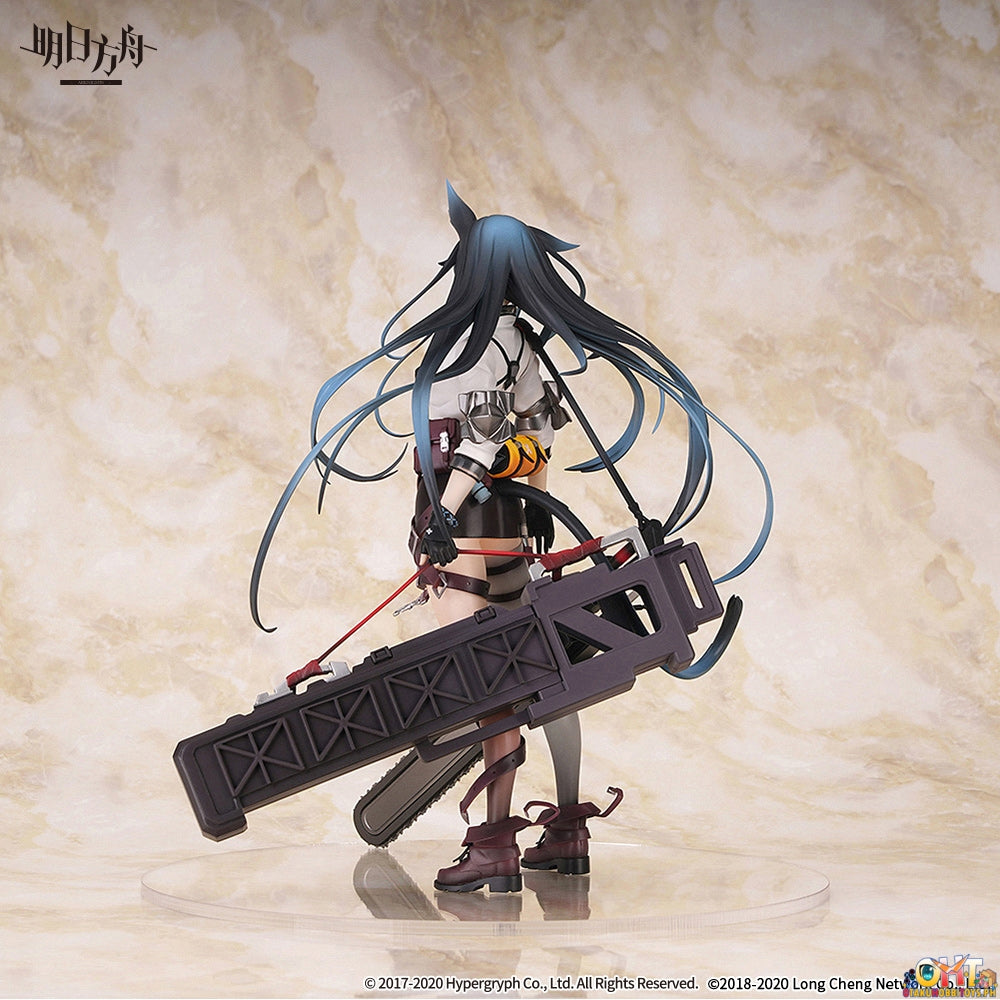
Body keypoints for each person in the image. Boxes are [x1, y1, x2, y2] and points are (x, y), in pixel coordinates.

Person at [250, 184, 772, 892]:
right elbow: (537, 440)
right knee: (549, 677)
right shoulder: (521, 344)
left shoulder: (468, 347)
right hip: (511, 540)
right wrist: (524, 508)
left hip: (463, 543)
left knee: (487, 688)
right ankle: (567, 827)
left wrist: (443, 515)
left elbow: (481, 440)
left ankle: (493, 842)